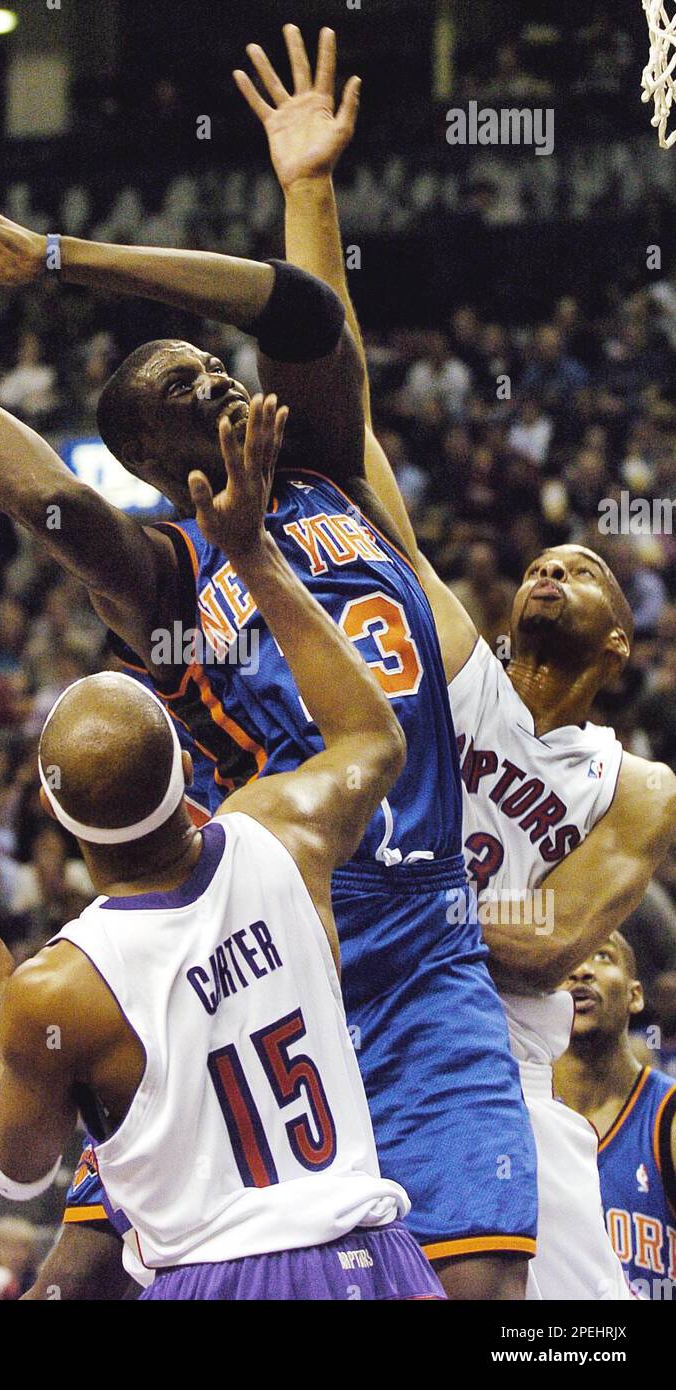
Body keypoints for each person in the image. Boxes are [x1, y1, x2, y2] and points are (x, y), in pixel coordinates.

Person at [0, 115, 537, 1298]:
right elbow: (47, 502)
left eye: (211, 363)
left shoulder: (332, 470)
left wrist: (58, 255)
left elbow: (300, 315)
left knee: (481, 1296)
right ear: (153, 456)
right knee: (77, 1272)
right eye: (181, 380)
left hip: (423, 951)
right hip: (259, 944)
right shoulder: (168, 574)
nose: (216, 372)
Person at [241, 26, 674, 1298]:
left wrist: (384, 904)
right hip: (356, 1054)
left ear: (620, 640)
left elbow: (543, 946)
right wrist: (309, 189)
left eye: (584, 569)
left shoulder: (633, 782)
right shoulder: (455, 662)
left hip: (497, 1083)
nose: (552, 567)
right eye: (541, 559)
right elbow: (341, 430)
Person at [0, 398, 442, 1301]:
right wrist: (253, 553)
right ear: (187, 771)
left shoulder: (56, 987)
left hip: (216, 1280)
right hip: (370, 1261)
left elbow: (13, 1168)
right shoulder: (280, 839)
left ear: (58, 819)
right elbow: (373, 739)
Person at [555, 934, 676, 1296]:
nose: (581, 972)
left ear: (635, 994)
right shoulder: (515, 1115)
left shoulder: (666, 1117)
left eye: (602, 956)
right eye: (567, 963)